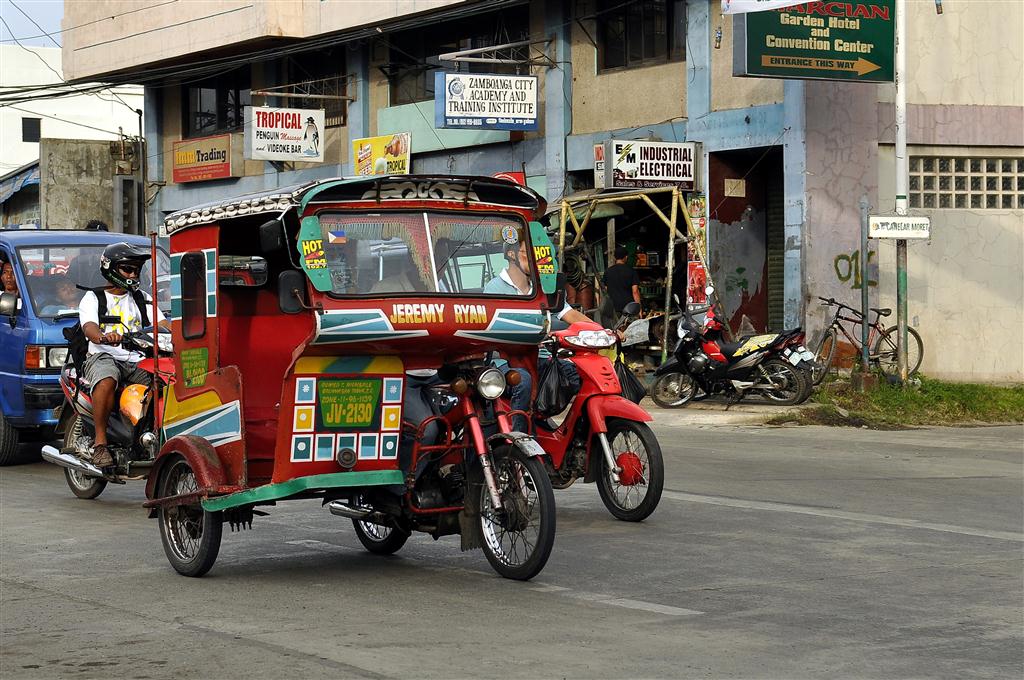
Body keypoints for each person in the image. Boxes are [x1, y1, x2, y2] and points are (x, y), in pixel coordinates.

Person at [484, 237, 589, 430]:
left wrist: (601, 330)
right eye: (528, 253)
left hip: (542, 359)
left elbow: (570, 314)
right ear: (511, 254)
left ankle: (544, 418)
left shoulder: (543, 288)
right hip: (507, 362)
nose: (535, 260)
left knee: (579, 375)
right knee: (523, 382)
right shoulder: (494, 289)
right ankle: (520, 438)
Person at [79, 242, 167, 468]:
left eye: (136, 270)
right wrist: (102, 336)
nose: (133, 274)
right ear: (110, 268)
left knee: (165, 382)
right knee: (107, 379)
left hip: (138, 359)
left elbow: (163, 324)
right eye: (127, 269)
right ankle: (100, 443)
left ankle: (148, 435)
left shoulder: (142, 298)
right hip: (104, 356)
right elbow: (89, 326)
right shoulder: (94, 297)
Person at [602, 245, 641, 316]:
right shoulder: (631, 271)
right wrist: (639, 309)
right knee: (628, 327)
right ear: (626, 257)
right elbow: (635, 292)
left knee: (614, 327)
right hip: (628, 308)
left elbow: (605, 291)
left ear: (614, 258)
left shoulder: (608, 271)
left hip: (613, 308)